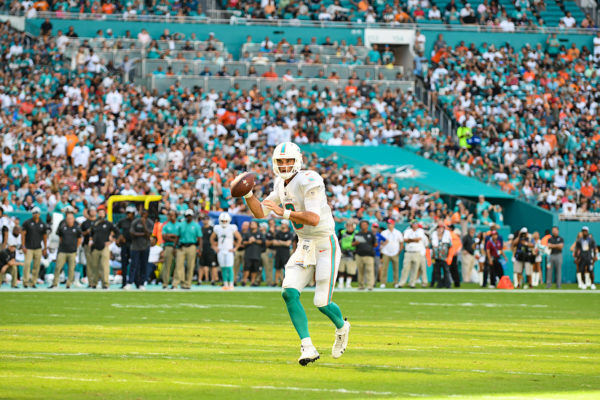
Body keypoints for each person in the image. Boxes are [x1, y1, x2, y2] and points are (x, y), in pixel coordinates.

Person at [243, 141, 350, 366]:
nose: (284, 165)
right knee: (289, 292)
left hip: (324, 244)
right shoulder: (280, 184)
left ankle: (342, 327)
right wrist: (248, 195)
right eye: (280, 161)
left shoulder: (310, 179)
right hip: (304, 244)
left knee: (322, 302)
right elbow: (261, 212)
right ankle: (307, 346)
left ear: (298, 161)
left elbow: (313, 218)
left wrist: (284, 213)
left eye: (288, 161)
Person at [50, 211, 82, 289]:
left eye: (71, 218)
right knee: (58, 267)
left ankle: (68, 284)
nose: (69, 220)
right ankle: (55, 283)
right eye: (68, 219)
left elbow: (79, 239)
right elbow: (60, 237)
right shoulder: (62, 227)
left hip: (72, 251)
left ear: (73, 219)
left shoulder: (77, 228)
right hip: (62, 250)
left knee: (71, 269)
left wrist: (75, 247)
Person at [89, 206, 119, 289]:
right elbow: (91, 234)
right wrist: (90, 240)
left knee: (104, 266)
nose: (101, 214)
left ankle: (105, 283)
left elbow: (117, 231)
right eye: (99, 213)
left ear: (105, 214)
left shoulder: (108, 223)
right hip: (95, 247)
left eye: (102, 213)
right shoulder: (94, 223)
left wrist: (111, 240)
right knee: (94, 266)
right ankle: (94, 283)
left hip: (104, 247)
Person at [172, 209, 202, 290]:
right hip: (181, 246)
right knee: (179, 265)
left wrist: (199, 249)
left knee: (190, 266)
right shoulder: (181, 225)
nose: (188, 217)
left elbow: (199, 238)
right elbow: (177, 237)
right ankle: (176, 283)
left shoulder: (196, 226)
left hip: (192, 246)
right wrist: (174, 247)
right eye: (187, 216)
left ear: (192, 216)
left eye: (189, 216)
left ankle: (188, 284)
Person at [211, 212, 242, 290]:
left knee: (230, 267)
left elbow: (239, 238)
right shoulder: (217, 228)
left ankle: (231, 284)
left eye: (225, 221)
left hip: (229, 250)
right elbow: (211, 238)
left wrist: (235, 248)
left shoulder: (232, 227)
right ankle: (225, 284)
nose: (224, 222)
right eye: (223, 221)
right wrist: (214, 247)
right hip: (221, 250)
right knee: (223, 267)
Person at [22, 207, 48, 288]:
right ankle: (25, 282)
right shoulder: (27, 223)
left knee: (36, 266)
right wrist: (23, 246)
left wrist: (45, 248)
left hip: (38, 247)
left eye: (37, 213)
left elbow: (44, 237)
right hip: (29, 247)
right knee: (27, 264)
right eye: (34, 213)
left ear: (39, 214)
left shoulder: (42, 224)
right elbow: (23, 235)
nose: (35, 214)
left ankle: (33, 282)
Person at [128, 208, 154, 290]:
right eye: (142, 213)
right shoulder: (135, 221)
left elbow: (148, 234)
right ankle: (130, 282)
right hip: (135, 247)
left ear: (147, 214)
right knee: (133, 265)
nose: (143, 215)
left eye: (145, 214)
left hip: (145, 246)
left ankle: (142, 283)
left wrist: (144, 224)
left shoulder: (149, 222)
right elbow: (132, 233)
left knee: (144, 265)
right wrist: (142, 234)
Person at [400, 219, 428, 288]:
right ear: (411, 224)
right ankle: (401, 283)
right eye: (413, 224)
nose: (415, 225)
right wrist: (413, 240)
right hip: (409, 252)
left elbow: (419, 239)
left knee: (416, 269)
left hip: (418, 252)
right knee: (405, 268)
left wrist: (410, 240)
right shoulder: (407, 231)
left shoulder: (420, 231)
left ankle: (412, 283)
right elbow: (405, 239)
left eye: (416, 224)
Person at [379, 219, 403, 288]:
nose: (389, 225)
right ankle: (383, 283)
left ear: (393, 224)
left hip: (395, 252)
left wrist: (399, 251)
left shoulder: (398, 232)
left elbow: (401, 243)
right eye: (388, 224)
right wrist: (382, 247)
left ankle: (396, 283)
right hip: (386, 252)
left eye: (390, 224)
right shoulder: (384, 232)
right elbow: (380, 242)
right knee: (384, 269)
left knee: (396, 269)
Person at [352, 220, 376, 291]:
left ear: (367, 226)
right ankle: (361, 285)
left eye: (365, 225)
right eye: (362, 225)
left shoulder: (371, 234)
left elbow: (375, 244)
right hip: (359, 255)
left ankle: (370, 285)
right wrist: (355, 243)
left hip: (369, 255)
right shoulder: (357, 234)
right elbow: (352, 244)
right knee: (360, 271)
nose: (363, 226)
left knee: (370, 270)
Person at [116, 205, 136, 288]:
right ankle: (124, 283)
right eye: (127, 213)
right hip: (125, 244)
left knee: (134, 264)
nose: (129, 215)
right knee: (124, 264)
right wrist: (119, 236)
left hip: (134, 245)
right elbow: (116, 228)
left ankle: (134, 282)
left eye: (130, 213)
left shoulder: (136, 221)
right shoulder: (122, 221)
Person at [160, 209, 179, 288]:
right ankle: (165, 283)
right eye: (170, 215)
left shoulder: (180, 225)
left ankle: (175, 284)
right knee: (167, 265)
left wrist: (170, 236)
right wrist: (174, 237)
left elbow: (180, 237)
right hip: (168, 246)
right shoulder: (166, 225)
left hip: (178, 247)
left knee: (178, 266)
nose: (171, 217)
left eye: (173, 215)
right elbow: (164, 237)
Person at [241, 221, 264, 286]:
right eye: (251, 224)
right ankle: (244, 281)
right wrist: (249, 242)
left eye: (254, 224)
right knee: (246, 268)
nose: (252, 225)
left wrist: (255, 240)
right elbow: (243, 242)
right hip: (248, 254)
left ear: (257, 225)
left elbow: (262, 242)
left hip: (256, 254)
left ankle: (252, 282)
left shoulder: (260, 233)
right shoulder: (247, 233)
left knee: (255, 269)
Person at [430, 223, 452, 288]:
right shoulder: (433, 236)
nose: (440, 230)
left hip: (444, 256)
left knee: (446, 271)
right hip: (436, 256)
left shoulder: (447, 236)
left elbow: (450, 246)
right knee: (437, 271)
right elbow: (430, 246)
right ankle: (439, 284)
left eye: (441, 228)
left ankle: (448, 284)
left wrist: (448, 256)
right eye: (439, 228)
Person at [273, 220, 293, 286]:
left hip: (286, 253)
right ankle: (276, 282)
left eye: (283, 224)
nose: (281, 225)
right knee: (277, 268)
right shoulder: (278, 233)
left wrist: (280, 242)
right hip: (278, 252)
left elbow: (288, 244)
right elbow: (274, 243)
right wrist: (283, 242)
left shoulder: (290, 233)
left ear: (286, 225)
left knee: (286, 268)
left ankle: (285, 282)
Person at [199, 214, 218, 285]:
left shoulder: (213, 229)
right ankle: (199, 280)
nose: (205, 220)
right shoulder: (201, 229)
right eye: (204, 219)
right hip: (203, 249)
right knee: (201, 265)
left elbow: (216, 240)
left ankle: (213, 280)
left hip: (210, 249)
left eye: (207, 219)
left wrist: (214, 247)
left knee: (213, 265)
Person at [80, 206, 97, 284]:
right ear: (89, 212)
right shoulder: (85, 223)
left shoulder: (98, 222)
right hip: (87, 244)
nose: (93, 212)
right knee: (89, 263)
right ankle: (90, 281)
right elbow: (81, 234)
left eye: (94, 211)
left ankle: (96, 279)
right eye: (91, 211)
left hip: (97, 245)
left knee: (97, 263)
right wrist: (86, 232)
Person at [337, 220, 357, 289]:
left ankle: (348, 284)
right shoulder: (342, 233)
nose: (349, 227)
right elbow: (337, 241)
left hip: (351, 253)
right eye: (348, 225)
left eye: (351, 226)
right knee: (341, 269)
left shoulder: (356, 233)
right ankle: (340, 283)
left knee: (350, 270)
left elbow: (358, 243)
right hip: (342, 252)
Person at [261, 221, 275, 286]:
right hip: (266, 251)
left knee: (271, 267)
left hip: (273, 250)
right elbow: (267, 243)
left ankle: (272, 281)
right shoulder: (267, 233)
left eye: (272, 223)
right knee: (266, 267)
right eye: (269, 223)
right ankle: (269, 281)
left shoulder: (276, 231)